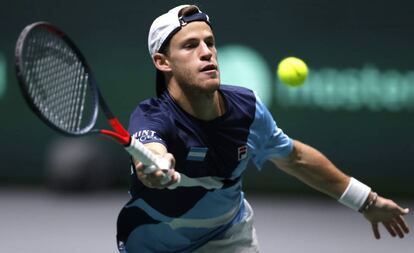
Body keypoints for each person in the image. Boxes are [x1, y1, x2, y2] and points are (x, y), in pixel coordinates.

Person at [116, 4, 410, 253]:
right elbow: (151, 154)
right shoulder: (151, 117)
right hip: (154, 242)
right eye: (191, 46)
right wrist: (156, 167)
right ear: (162, 61)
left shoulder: (246, 109)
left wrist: (366, 201)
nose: (206, 52)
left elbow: (294, 158)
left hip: (228, 238)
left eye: (210, 42)